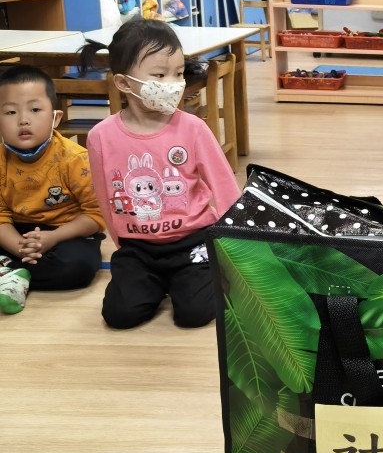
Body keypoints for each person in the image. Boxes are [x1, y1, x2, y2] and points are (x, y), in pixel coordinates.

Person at [80, 19, 240, 329]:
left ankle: (204, 273)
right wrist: (121, 241)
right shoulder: (101, 136)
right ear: (124, 83)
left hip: (193, 241)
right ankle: (161, 282)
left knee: (194, 314)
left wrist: (235, 244)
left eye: (178, 73)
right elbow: (104, 195)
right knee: (120, 316)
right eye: (159, 75)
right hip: (138, 247)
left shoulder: (193, 128)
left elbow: (225, 188)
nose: (173, 83)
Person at [0, 65, 105, 314]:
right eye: (10, 112)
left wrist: (53, 238)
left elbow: (95, 215)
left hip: (67, 232)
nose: (23, 120)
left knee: (79, 267)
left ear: (55, 118)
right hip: (15, 231)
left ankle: (9, 271)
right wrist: (19, 246)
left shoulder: (75, 158)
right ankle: (16, 272)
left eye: (35, 110)